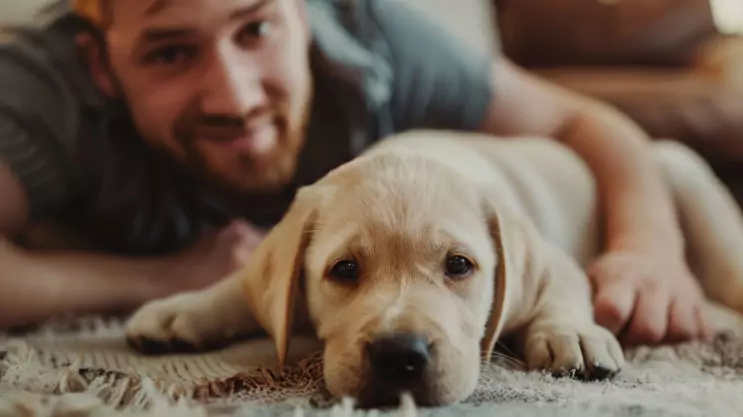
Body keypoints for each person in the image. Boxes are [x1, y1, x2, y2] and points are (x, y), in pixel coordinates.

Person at [0, 0, 709, 346]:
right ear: (99, 62)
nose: (236, 96)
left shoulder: (374, 34)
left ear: (302, 14)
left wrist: (648, 246)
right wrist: (163, 278)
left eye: (256, 28)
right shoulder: (39, 87)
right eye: (169, 53)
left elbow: (580, 123)